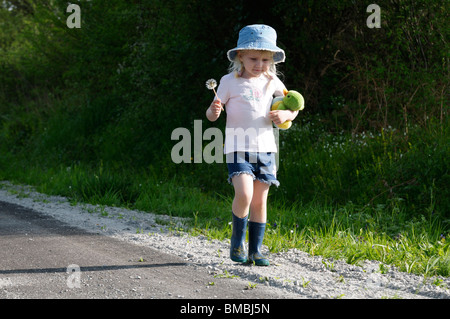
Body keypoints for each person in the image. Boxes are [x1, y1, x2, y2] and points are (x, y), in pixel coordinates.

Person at [206, 24, 298, 266]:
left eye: (266, 59)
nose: (260, 64)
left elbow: (294, 105)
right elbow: (212, 115)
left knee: (259, 201)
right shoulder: (228, 82)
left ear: (272, 60)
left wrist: (286, 116)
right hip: (237, 148)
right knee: (244, 193)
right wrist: (214, 111)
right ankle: (237, 243)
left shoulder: (273, 81)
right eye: (254, 58)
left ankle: (256, 251)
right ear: (240, 57)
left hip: (266, 149)